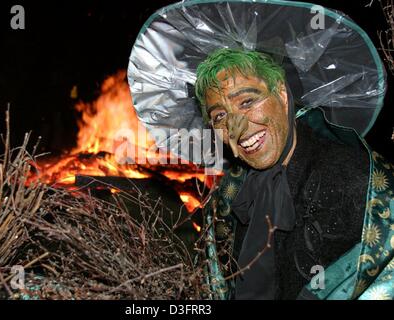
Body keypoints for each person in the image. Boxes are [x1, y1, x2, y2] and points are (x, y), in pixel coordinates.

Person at [128, 0, 394, 299]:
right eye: (220, 116)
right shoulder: (230, 192)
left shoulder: (353, 179)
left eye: (247, 102)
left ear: (282, 94)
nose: (237, 126)